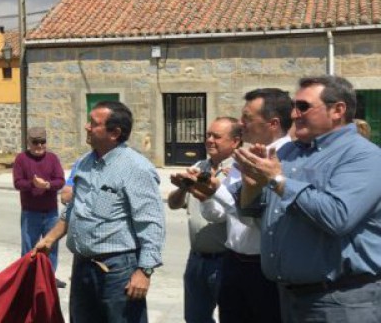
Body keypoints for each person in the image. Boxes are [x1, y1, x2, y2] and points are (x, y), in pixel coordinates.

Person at [236, 76, 381, 321]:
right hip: (289, 298)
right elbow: (256, 212)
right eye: (294, 106)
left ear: (338, 110)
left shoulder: (363, 156)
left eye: (303, 106)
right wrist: (252, 186)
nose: (293, 115)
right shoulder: (288, 152)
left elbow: (337, 217)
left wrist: (277, 180)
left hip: (340, 302)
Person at [34, 100, 164, 323]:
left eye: (93, 123)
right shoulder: (85, 162)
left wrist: (144, 271)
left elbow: (151, 223)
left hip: (118, 272)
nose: (86, 127)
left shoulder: (136, 168)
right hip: (83, 266)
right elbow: (75, 208)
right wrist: (49, 239)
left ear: (114, 133)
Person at [187, 89, 290, 323]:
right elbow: (223, 215)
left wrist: (217, 191)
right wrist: (206, 196)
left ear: (273, 123)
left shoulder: (286, 158)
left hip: (264, 269)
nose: (241, 124)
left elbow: (256, 215)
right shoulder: (243, 157)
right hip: (233, 261)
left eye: (247, 118)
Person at [167, 117, 238, 323]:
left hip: (226, 261)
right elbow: (173, 204)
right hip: (196, 259)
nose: (210, 140)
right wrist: (183, 185)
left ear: (235, 141)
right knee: (195, 318)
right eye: (207, 135)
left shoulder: (239, 170)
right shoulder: (199, 166)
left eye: (217, 136)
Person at [12, 126, 66, 288]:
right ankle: (27, 278)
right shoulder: (21, 159)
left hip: (50, 212)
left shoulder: (52, 158)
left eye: (42, 142)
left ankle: (49, 278)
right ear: (29, 142)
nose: (40, 146)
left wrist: (48, 185)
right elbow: (17, 182)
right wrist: (32, 184)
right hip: (30, 212)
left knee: (52, 246)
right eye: (36, 142)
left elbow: (60, 181)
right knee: (29, 247)